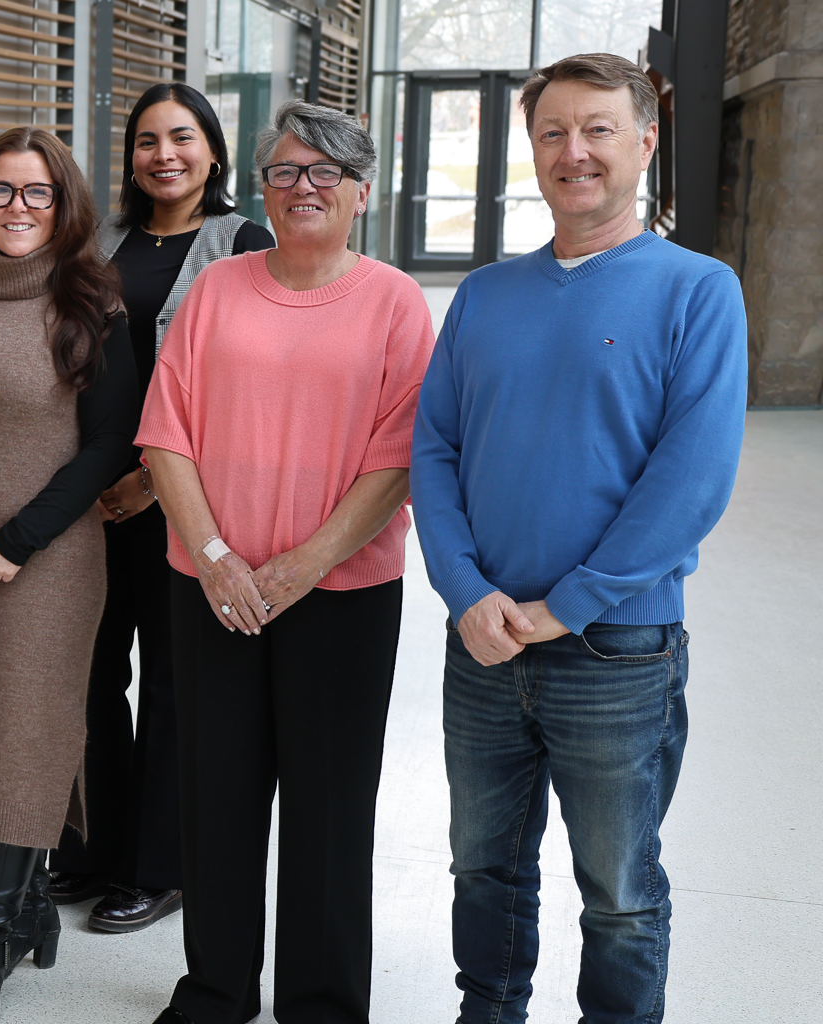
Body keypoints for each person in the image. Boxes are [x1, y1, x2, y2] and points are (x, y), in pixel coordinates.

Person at [410, 54, 746, 1024]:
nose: (575, 151)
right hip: (484, 645)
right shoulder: (484, 296)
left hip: (616, 650)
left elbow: (690, 482)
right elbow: (433, 448)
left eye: (598, 128)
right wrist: (464, 589)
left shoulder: (698, 291)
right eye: (554, 131)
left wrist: (570, 604)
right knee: (484, 869)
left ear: (645, 142)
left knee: (620, 891)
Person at [136, 101, 434, 1024]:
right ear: (261, 186)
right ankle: (216, 990)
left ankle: (322, 1003)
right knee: (216, 799)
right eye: (285, 172)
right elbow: (164, 432)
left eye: (324, 173)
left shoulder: (393, 301)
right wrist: (220, 558)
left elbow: (399, 457)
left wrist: (300, 565)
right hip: (213, 590)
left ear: (361, 192)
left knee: (330, 812)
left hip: (340, 596)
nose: (303, 188)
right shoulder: (220, 285)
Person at [0, 126, 137, 1024]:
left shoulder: (95, 300)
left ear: (64, 204)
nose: (18, 208)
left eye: (37, 193)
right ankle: (35, 905)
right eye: (2, 191)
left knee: (19, 737)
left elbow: (108, 446)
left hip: (49, 562)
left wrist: (18, 540)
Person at [49, 80, 275, 935]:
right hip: (93, 498)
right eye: (147, 140)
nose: (164, 155)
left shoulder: (241, 243)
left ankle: (156, 866)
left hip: (185, 501)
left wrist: (152, 477)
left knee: (177, 685)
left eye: (182, 138)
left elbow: (241, 384)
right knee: (94, 675)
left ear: (213, 150)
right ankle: (89, 846)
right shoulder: (96, 240)